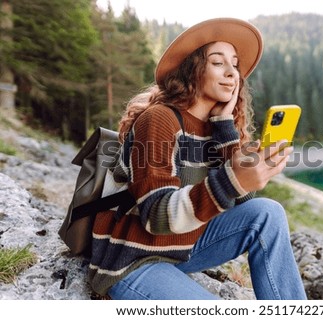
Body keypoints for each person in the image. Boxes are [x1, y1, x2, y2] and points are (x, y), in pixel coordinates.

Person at [88, 17, 307, 300]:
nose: (232, 73)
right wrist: (232, 181)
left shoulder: (214, 127)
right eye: (218, 62)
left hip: (179, 249)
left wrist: (225, 128)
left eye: (235, 64)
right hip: (133, 259)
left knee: (268, 212)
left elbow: (242, 204)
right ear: (192, 69)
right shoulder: (159, 120)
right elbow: (156, 217)